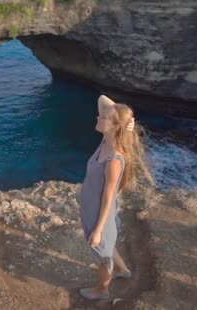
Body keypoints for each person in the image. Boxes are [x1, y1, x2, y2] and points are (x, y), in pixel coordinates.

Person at [78, 94, 155, 300]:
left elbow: (108, 198)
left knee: (103, 253)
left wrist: (98, 229)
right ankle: (122, 270)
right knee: (106, 246)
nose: (98, 117)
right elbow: (102, 99)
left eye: (103, 118)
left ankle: (102, 290)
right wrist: (127, 121)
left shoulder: (114, 160)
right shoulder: (106, 141)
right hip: (91, 206)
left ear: (114, 127)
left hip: (98, 212)